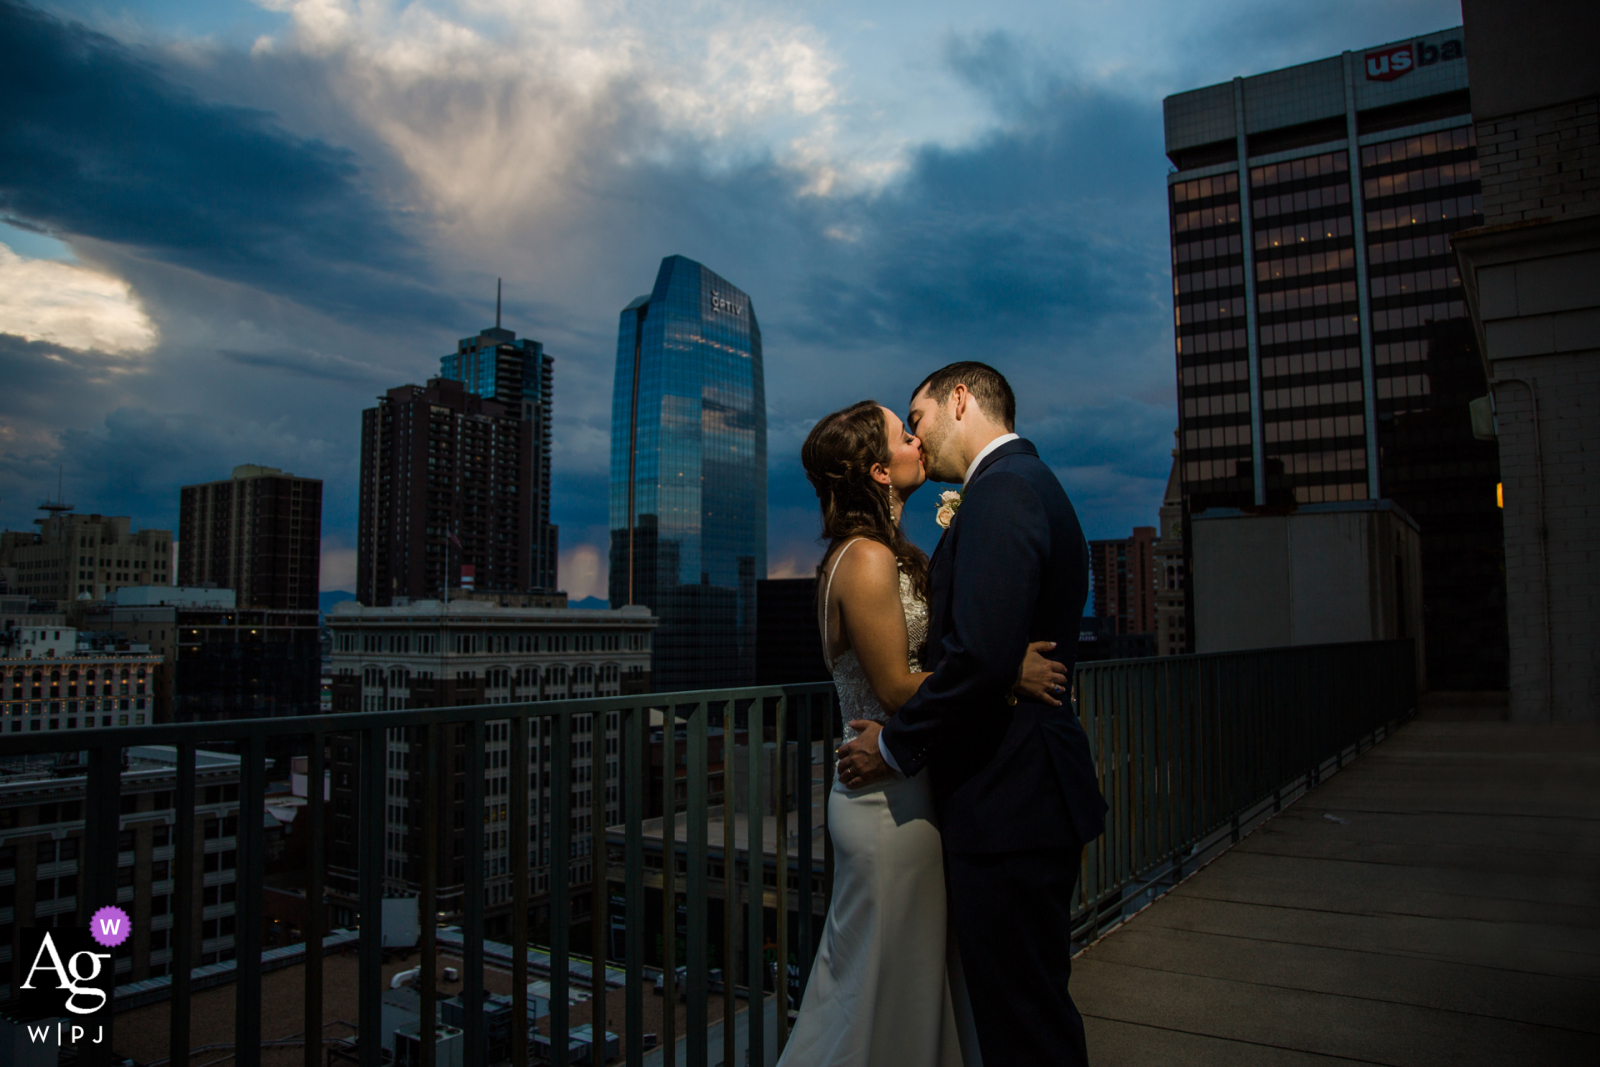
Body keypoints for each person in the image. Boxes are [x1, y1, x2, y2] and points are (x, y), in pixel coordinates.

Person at [778, 399, 1069, 1067]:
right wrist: (1004, 672)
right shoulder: (866, 561)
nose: (919, 441)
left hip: (903, 789)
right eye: (904, 434)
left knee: (902, 987)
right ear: (881, 470)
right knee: (872, 987)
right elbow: (896, 688)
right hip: (885, 804)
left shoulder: (881, 553)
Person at [837, 363, 1108, 1067]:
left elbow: (980, 660)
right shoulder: (1023, 484)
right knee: (1024, 1007)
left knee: (1023, 1022)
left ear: (959, 399)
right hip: (1020, 795)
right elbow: (991, 652)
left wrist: (894, 746)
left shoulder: (1004, 491)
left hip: (1011, 801)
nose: (918, 439)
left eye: (917, 417)